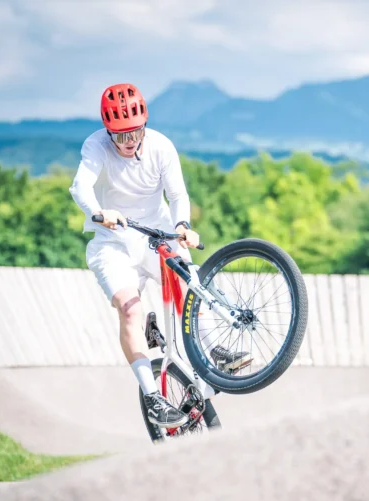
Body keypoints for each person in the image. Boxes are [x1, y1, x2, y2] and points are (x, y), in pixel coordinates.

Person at [69, 82, 250, 430]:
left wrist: (183, 224)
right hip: (113, 241)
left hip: (157, 233)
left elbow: (178, 194)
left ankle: (214, 350)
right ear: (108, 132)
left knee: (189, 284)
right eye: (120, 136)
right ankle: (153, 396)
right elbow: (81, 185)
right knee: (129, 309)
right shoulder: (95, 146)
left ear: (145, 125)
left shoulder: (161, 147)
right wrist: (98, 212)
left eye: (135, 133)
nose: (129, 142)